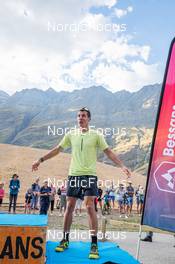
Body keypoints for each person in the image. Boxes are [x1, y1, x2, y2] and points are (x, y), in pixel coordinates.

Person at [32, 107, 130, 259]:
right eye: (78, 116)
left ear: (89, 119)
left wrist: (122, 165)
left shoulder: (96, 135)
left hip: (90, 176)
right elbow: (58, 149)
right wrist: (40, 160)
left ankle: (94, 244)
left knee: (90, 207)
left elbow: (108, 151)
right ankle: (65, 239)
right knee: (69, 207)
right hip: (73, 176)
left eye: (83, 116)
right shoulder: (71, 134)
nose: (80, 118)